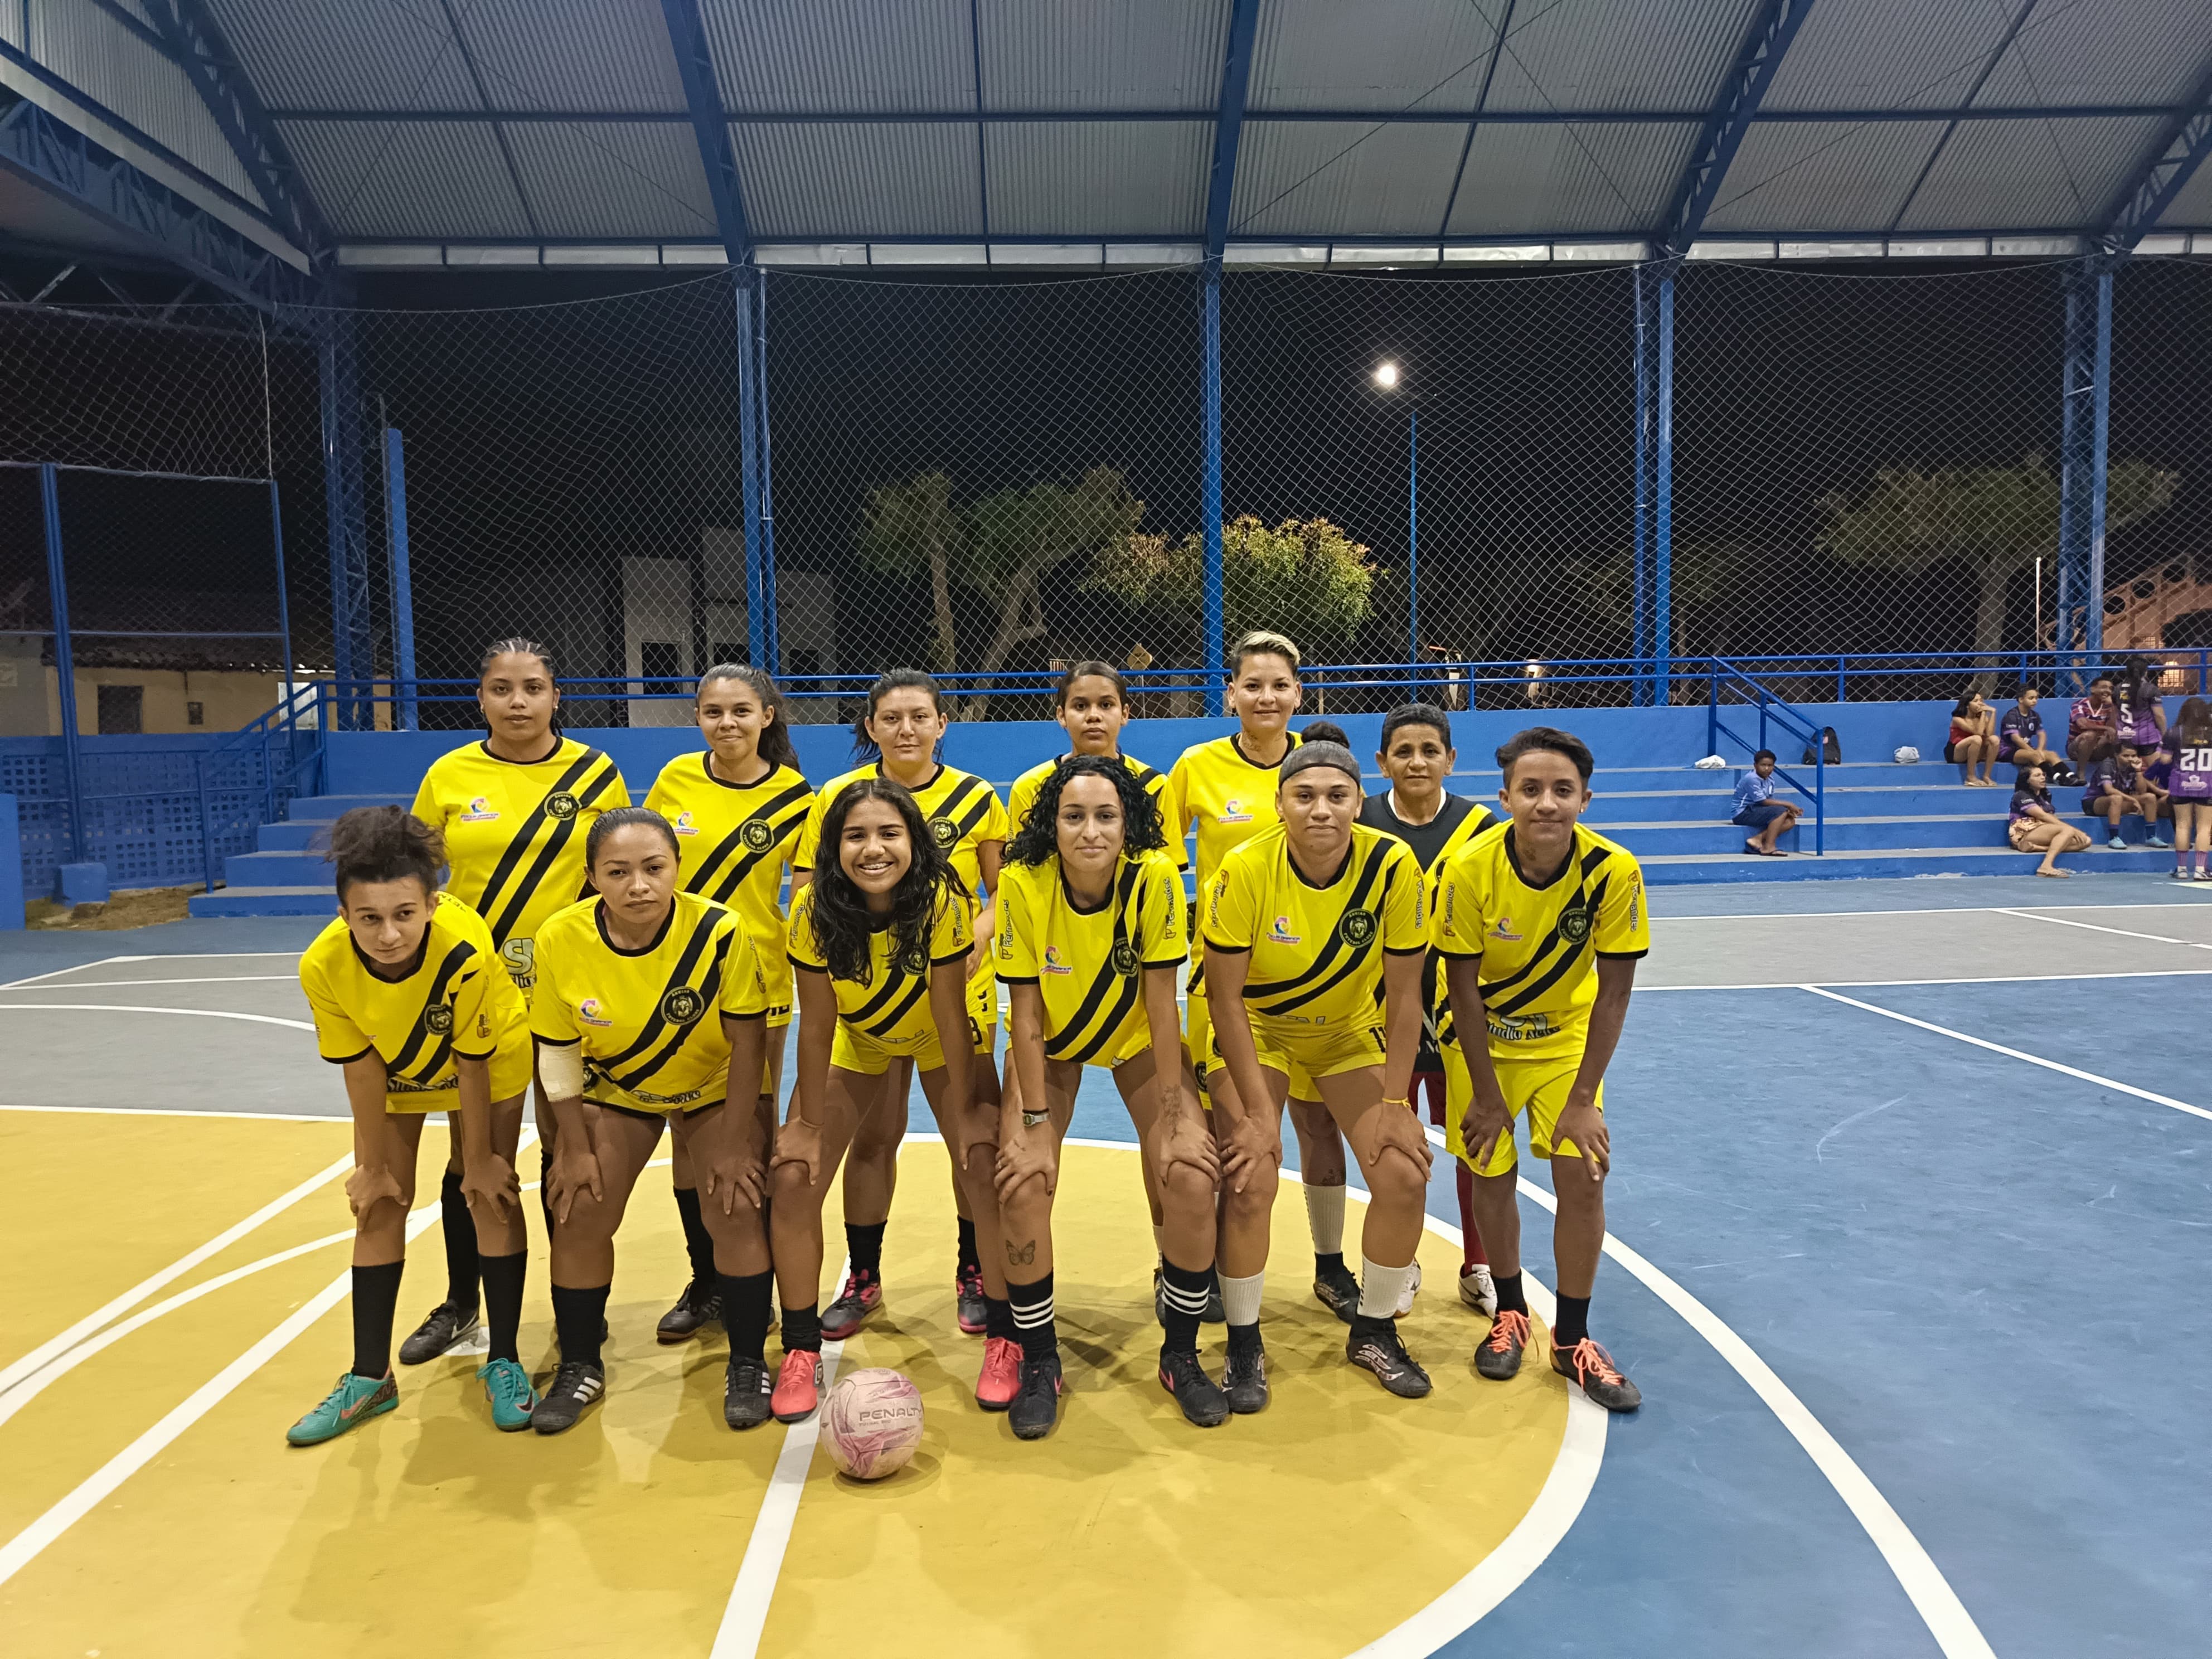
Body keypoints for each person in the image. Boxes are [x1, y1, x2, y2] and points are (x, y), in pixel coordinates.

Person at [406, 638, 629, 1363]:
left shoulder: (596, 774)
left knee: (569, 1151)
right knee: (472, 1154)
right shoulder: (448, 775)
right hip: (481, 1001)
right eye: (502, 689)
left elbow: (618, 880)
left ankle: (577, 1311)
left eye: (533, 687)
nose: (519, 702)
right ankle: (460, 1302)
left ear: (556, 695)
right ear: (481, 698)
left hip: (568, 997)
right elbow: (415, 883)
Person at [287, 808, 538, 1444]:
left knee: (489, 1193)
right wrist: (371, 1167)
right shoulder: (322, 965)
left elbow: (472, 1063)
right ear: (344, 916)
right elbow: (363, 1069)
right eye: (369, 918)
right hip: (395, 1065)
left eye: (404, 914)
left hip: (488, 1059)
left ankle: (503, 1359)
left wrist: (477, 1158)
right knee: (378, 1205)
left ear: (430, 903)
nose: (389, 934)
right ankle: (369, 1380)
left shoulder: (465, 948)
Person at [996, 756, 1229, 1435]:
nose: (1089, 831)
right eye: (1073, 817)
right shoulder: (1022, 881)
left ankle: (1179, 1356)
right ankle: (1040, 1361)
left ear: (1128, 826)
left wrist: (1176, 1113)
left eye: (1106, 816)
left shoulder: (1154, 878)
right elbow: (1027, 1017)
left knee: (1188, 1175)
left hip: (1133, 1043)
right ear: (1051, 823)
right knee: (1020, 1181)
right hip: (1054, 1047)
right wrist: (1034, 1122)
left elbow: (1163, 1009)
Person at [790, 670, 1011, 1384]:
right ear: (872, 727)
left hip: (953, 995)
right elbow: (810, 886)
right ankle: (863, 1275)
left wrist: (971, 937)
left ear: (941, 724)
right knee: (873, 1138)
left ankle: (974, 1271)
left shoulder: (977, 796)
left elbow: (1001, 892)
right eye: (892, 718)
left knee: (969, 1142)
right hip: (863, 1006)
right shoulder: (837, 800)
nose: (907, 728)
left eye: (920, 716)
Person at [1202, 741, 1435, 1404]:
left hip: (1341, 1034)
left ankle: (1373, 1330)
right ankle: (1243, 1343)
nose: (1321, 810)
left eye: (1337, 797)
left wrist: (1395, 1100)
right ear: (1279, 805)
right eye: (1304, 796)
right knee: (1251, 1174)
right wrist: (1252, 1116)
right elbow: (1223, 999)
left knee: (1400, 1171)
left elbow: (1404, 995)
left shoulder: (1392, 865)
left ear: (1359, 803)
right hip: (1258, 1029)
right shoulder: (1244, 869)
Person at [528, 808, 774, 1433]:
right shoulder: (559, 936)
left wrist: (735, 1143)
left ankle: (747, 1360)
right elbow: (556, 1052)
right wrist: (572, 1147)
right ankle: (580, 1364)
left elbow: (749, 1045)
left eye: (652, 868)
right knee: (579, 1208)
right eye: (617, 871)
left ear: (677, 869)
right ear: (591, 877)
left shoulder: (721, 931)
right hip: (619, 1089)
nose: (637, 885)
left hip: (713, 1086)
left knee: (736, 1204)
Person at [1435, 726, 1647, 1414]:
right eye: (1530, 790)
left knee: (1583, 1176)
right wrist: (1487, 1096)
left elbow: (1613, 991)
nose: (1545, 804)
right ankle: (1509, 1312)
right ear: (1505, 798)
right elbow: (1461, 989)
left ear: (1585, 799)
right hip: (1481, 1044)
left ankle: (1573, 1340)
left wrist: (1584, 1099)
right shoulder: (1469, 869)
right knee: (1489, 1175)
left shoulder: (1613, 872)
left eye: (1561, 791)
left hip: (1564, 1045)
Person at [770, 778, 988, 1423]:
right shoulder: (811, 911)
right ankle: (804, 1342)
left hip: (938, 1032)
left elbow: (949, 1015)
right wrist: (807, 1123)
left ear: (913, 842)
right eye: (855, 835)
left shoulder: (942, 900)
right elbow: (815, 1023)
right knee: (793, 1178)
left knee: (981, 1159)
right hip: (859, 1035)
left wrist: (972, 1109)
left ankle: (1002, 1320)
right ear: (832, 845)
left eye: (888, 834)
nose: (872, 848)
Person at [1165, 634, 1361, 1324]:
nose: (1266, 697)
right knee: (1239, 1130)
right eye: (1252, 685)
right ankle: (1213, 1269)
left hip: (1324, 979)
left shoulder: (1318, 766)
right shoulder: (1197, 765)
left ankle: (1331, 1265)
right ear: (1231, 694)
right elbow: (1160, 865)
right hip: (1231, 980)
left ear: (1297, 693)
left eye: (1279, 685)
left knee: (1318, 1125)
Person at [641, 666, 813, 1344]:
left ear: (767, 716)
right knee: (690, 1133)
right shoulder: (676, 779)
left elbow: (801, 894)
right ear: (698, 718)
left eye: (741, 711)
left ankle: (758, 1280)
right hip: (678, 983)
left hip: (758, 984)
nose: (727, 723)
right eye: (713, 712)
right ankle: (708, 1278)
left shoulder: (794, 795)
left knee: (751, 1135)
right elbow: (650, 866)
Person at [1357, 702, 1499, 1318]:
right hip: (1377, 1014)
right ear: (1381, 760)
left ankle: (1480, 1265)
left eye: (1429, 751)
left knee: (1476, 1148)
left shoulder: (1483, 829)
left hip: (1459, 1016)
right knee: (1392, 1154)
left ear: (1450, 759)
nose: (1417, 762)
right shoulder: (1356, 821)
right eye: (1404, 751)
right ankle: (1401, 1265)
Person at [1005, 661, 1179, 848]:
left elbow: (1166, 868)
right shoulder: (1030, 787)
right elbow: (1020, 868)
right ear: (1062, 716)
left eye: (1106, 705)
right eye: (1081, 706)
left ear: (1125, 714)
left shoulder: (1154, 786)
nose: (1093, 716)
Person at [2158, 697, 2212, 880]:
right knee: (2204, 828)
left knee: (2183, 826)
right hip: (2207, 785)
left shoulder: (2174, 732)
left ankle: (2181, 869)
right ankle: (2200, 870)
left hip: (2181, 783)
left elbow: (2165, 760)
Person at [2006, 764, 2090, 878]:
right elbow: (2042, 816)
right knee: (2068, 830)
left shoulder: (2045, 795)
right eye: (2037, 775)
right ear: (2027, 780)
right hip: (2024, 831)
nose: (2043, 778)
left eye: (2043, 775)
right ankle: (2045, 866)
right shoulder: (2021, 795)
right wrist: (2075, 831)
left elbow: (2051, 817)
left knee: (2086, 841)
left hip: (2043, 829)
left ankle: (2036, 848)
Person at [2080, 739, 2162, 849]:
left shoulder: (2133, 766)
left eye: (2133, 756)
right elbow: (2109, 790)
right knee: (2116, 798)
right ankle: (2113, 838)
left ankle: (2151, 837)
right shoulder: (2108, 764)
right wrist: (2133, 800)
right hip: (2094, 803)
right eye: (2126, 756)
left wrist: (2138, 771)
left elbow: (2142, 791)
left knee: (2150, 798)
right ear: (2116, 755)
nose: (2130, 759)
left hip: (2119, 801)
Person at [1732, 749, 1802, 855]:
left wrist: (1788, 811)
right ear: (1755, 765)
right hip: (1742, 813)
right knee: (1780, 811)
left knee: (1789, 821)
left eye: (1770, 766)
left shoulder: (1770, 780)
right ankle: (1768, 847)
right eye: (1763, 765)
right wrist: (1789, 805)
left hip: (1756, 810)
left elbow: (1769, 801)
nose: (1766, 769)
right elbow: (1763, 802)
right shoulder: (1752, 779)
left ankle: (1757, 839)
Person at [1998, 687, 2063, 777]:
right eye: (2031, 698)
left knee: (2052, 754)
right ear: (2021, 699)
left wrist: (2040, 750)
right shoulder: (2012, 715)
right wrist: (2033, 752)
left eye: (2036, 698)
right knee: (2034, 756)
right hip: (2009, 751)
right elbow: (2015, 738)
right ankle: (2057, 777)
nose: (2035, 701)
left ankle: (2069, 776)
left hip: (2028, 749)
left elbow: (2042, 734)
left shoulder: (2035, 715)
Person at [1946, 693, 2001, 786]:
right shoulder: (1957, 719)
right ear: (1967, 705)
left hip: (1976, 751)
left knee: (1994, 739)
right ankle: (1970, 777)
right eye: (1976, 701)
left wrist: (1993, 713)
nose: (1980, 704)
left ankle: (1987, 776)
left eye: (1981, 701)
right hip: (1957, 752)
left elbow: (1989, 734)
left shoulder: (1982, 719)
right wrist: (1984, 713)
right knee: (1977, 739)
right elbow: (1978, 733)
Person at [2117, 658, 2167, 756]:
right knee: (2154, 769)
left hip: (2124, 737)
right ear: (2145, 672)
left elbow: (2115, 714)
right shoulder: (2150, 689)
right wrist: (2165, 735)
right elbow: (2159, 715)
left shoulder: (2118, 689)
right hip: (2146, 738)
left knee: (2128, 769)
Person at [2067, 675, 2119, 769]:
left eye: (2110, 689)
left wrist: (2113, 706)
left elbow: (2112, 729)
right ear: (2093, 689)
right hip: (2076, 750)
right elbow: (2082, 725)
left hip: (2098, 748)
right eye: (2104, 687)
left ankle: (2115, 773)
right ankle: (2081, 773)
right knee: (2090, 735)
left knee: (2116, 736)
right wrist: (2106, 728)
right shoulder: (2079, 705)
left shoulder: (2108, 706)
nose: (2108, 691)